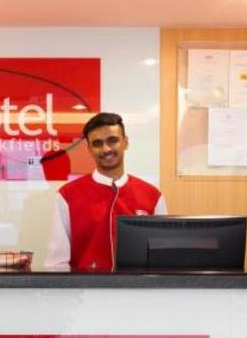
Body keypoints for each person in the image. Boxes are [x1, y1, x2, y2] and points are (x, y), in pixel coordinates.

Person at [44, 112, 166, 271]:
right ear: (89, 149)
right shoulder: (67, 195)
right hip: (83, 286)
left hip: (136, 287)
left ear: (125, 142)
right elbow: (57, 264)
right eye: (97, 143)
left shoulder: (152, 196)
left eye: (112, 140)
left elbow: (162, 259)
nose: (106, 149)